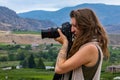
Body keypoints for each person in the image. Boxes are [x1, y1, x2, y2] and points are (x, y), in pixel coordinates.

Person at [54, 8, 110, 80]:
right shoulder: (84, 45)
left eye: (75, 26)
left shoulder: (90, 48)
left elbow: (59, 69)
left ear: (85, 26)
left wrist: (65, 44)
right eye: (71, 26)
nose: (72, 30)